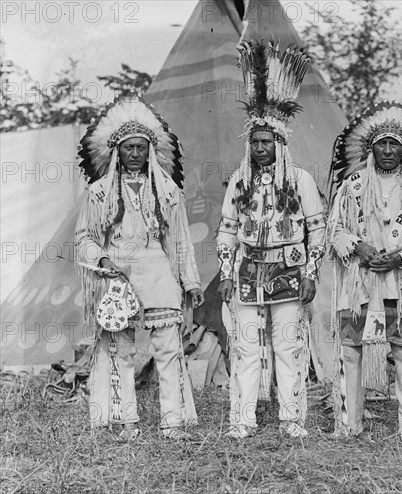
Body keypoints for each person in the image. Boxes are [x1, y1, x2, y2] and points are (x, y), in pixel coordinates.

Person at [75, 92, 204, 441]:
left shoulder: (168, 192)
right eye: (129, 148)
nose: (135, 154)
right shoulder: (99, 192)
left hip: (159, 273)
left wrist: (190, 281)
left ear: (151, 151)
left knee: (168, 347)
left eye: (141, 148)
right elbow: (84, 236)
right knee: (120, 349)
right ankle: (124, 421)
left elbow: (179, 241)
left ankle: (173, 421)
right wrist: (103, 259)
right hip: (120, 277)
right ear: (117, 151)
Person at [216, 40, 326, 439]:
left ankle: (293, 419)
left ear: (280, 144)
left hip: (289, 270)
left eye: (268, 142)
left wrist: (311, 272)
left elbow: (317, 229)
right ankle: (242, 420)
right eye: (256, 142)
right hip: (248, 272)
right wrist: (226, 271)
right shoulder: (240, 180)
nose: (261, 148)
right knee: (245, 348)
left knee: (287, 347)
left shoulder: (301, 181)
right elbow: (227, 227)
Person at [328, 101, 402, 438]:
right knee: (350, 350)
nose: (388, 150)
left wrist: (400, 259)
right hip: (359, 283)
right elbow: (335, 229)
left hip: (400, 287)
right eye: (382, 143)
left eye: (394, 144)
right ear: (371, 147)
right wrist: (359, 247)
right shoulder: (353, 185)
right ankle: (349, 425)